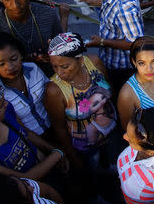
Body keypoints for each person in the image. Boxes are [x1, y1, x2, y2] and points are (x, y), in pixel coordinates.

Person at [44, 32, 117, 172]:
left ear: (81, 60)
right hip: (85, 147)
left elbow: (110, 88)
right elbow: (59, 129)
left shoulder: (94, 62)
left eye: (64, 66)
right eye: (54, 66)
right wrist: (73, 157)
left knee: (109, 164)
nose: (59, 72)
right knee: (93, 173)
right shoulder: (54, 91)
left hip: (110, 132)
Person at [72, 0, 143, 93]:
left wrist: (102, 42)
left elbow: (137, 42)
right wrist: (97, 2)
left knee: (117, 95)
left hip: (122, 69)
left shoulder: (125, 6)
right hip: (109, 58)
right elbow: (113, 3)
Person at [0, 31, 52, 138]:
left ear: (20, 54)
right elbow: (21, 131)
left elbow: (52, 96)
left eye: (13, 59)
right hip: (29, 139)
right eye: (1, 64)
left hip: (55, 125)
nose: (10, 67)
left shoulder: (33, 68)